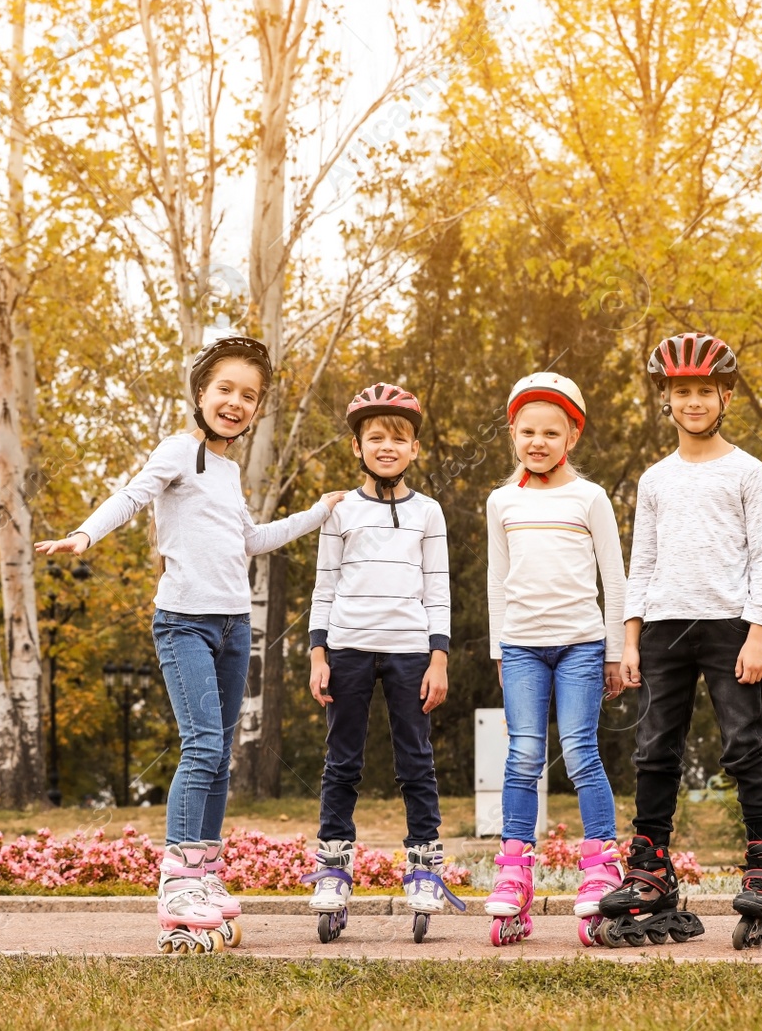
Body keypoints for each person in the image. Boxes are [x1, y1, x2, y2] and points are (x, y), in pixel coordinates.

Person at [34, 335, 346, 953]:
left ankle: (204, 874)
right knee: (202, 744)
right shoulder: (179, 450)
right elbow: (132, 496)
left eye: (248, 396)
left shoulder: (228, 472)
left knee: (220, 754)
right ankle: (177, 882)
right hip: (185, 623)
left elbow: (249, 540)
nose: (236, 402)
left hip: (234, 626)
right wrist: (85, 536)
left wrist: (317, 511)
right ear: (201, 394)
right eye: (225, 389)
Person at [598, 332, 762, 951]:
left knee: (742, 746)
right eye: (683, 392)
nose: (695, 401)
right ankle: (649, 867)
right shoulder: (655, 479)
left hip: (730, 627)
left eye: (706, 390)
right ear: (667, 399)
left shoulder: (747, 471)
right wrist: (630, 639)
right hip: (662, 629)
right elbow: (640, 563)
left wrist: (758, 635)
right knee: (654, 753)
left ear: (726, 395)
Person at [303, 382, 463, 945]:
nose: (387, 447)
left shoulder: (429, 511)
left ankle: (423, 869)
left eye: (398, 438)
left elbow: (438, 587)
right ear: (357, 447)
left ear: (415, 448)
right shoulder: (339, 510)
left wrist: (438, 658)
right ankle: (332, 869)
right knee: (341, 762)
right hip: (346, 647)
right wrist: (318, 652)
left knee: (415, 761)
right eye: (375, 437)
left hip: (409, 650)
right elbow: (323, 585)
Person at [483, 372, 627, 948]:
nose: (537, 441)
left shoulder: (589, 498)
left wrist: (615, 653)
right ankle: (515, 869)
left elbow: (613, 580)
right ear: (513, 435)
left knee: (582, 752)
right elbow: (497, 578)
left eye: (550, 431)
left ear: (572, 436)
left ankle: (599, 866)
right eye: (526, 431)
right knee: (522, 754)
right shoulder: (502, 501)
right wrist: (498, 649)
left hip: (581, 644)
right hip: (520, 645)